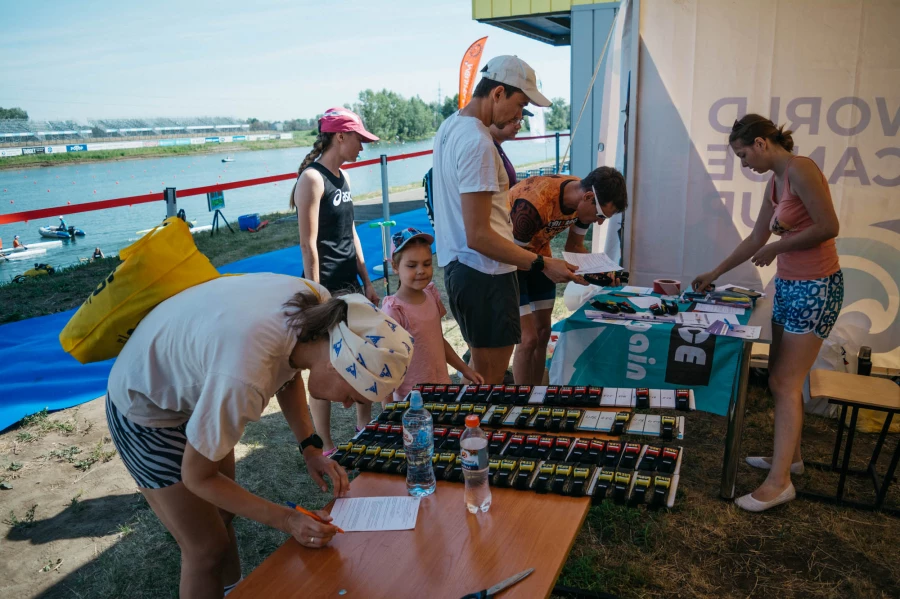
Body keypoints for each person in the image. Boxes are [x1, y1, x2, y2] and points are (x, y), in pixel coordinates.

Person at [106, 273, 413, 598]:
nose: (348, 405)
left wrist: (310, 447)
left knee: (223, 516)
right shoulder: (245, 376)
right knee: (205, 548)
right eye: (355, 395)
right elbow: (198, 477)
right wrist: (288, 520)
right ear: (336, 365)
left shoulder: (321, 309)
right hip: (142, 404)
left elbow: (289, 369)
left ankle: (232, 591)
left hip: (197, 382)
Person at [692, 114, 842, 513]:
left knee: (783, 381)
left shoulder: (802, 169)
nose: (744, 165)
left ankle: (780, 483)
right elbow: (757, 237)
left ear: (761, 143)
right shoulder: (775, 182)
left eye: (743, 156)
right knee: (780, 375)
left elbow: (829, 225)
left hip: (817, 287)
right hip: (791, 285)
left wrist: (779, 248)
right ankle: (788, 458)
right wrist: (715, 272)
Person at [433, 55, 582, 384]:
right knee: (488, 381)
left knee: (479, 376)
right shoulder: (478, 143)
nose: (521, 115)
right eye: (521, 103)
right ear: (498, 92)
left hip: (462, 269)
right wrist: (543, 264)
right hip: (485, 274)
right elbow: (480, 236)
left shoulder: (449, 127)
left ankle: (474, 433)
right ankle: (476, 435)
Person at [291, 107, 381, 454]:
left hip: (351, 283)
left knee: (362, 355)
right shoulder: (312, 179)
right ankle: (326, 444)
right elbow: (308, 244)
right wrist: (316, 296)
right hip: (324, 286)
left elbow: (351, 231)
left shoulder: (343, 177)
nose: (363, 147)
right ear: (340, 136)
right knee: (323, 364)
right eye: (360, 139)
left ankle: (364, 427)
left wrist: (366, 279)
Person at [509, 167, 628, 385]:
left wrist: (599, 272)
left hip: (540, 256)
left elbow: (575, 246)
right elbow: (514, 256)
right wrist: (548, 268)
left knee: (543, 333)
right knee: (528, 339)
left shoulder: (581, 197)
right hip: (512, 261)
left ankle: (537, 395)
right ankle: (521, 403)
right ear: (589, 197)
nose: (600, 222)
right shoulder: (533, 204)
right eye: (601, 215)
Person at [381, 228, 484, 402]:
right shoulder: (393, 310)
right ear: (395, 266)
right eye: (412, 265)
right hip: (411, 399)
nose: (421, 270)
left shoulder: (431, 295)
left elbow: (438, 340)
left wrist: (466, 370)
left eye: (427, 264)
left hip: (442, 388)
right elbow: (386, 361)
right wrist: (388, 407)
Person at [489, 108, 531, 187]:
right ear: (495, 118)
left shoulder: (496, 148)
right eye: (514, 120)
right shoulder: (487, 151)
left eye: (520, 120)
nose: (519, 126)